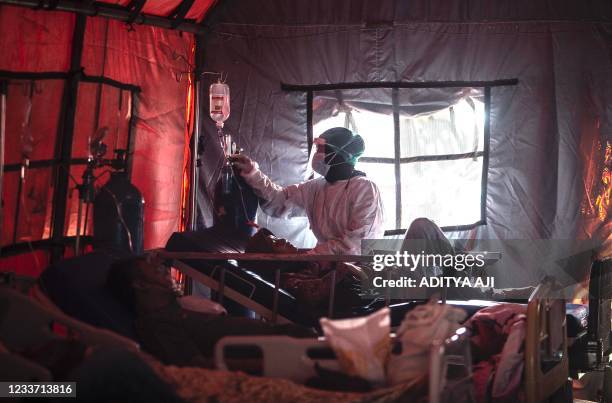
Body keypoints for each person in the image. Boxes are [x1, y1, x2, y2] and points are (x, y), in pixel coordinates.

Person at [230, 127, 384, 255]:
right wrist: (252, 174)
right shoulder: (316, 187)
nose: (317, 155)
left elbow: (356, 245)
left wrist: (308, 258)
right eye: (317, 149)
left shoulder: (364, 188)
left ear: (339, 155)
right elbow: (280, 201)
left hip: (357, 273)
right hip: (325, 266)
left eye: (322, 149)